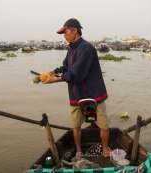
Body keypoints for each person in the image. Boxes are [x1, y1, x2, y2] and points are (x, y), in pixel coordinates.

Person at [39, 18, 111, 159]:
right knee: (76, 126)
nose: (64, 36)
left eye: (65, 32)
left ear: (75, 31)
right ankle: (78, 151)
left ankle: (105, 150)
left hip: (94, 93)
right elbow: (65, 67)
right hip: (76, 94)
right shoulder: (71, 48)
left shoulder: (86, 48)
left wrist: (53, 80)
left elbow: (75, 74)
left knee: (103, 125)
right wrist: (51, 72)